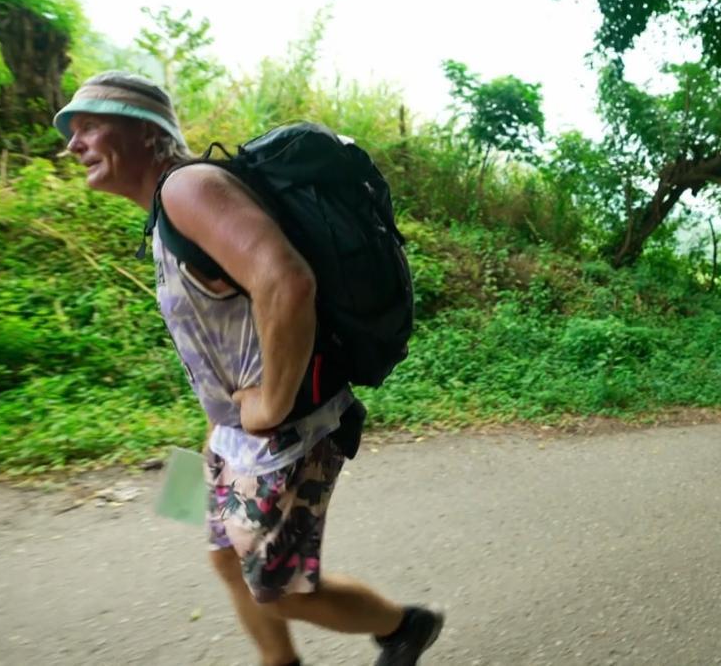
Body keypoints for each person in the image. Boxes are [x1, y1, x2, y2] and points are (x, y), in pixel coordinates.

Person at [53, 71, 442, 666]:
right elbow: (230, 326)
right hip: (234, 432)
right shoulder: (169, 208)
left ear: (145, 131)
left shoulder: (188, 189)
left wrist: (271, 403)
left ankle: (402, 627)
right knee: (222, 556)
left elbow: (287, 282)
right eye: (70, 131)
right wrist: (221, 420)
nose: (73, 144)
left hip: (285, 432)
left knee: (280, 591)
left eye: (88, 126)